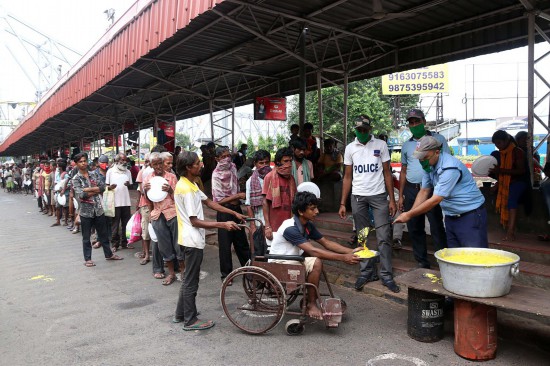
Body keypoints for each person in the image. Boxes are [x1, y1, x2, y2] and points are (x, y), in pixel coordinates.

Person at [173, 151, 245, 331]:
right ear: (188, 167)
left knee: (189, 278)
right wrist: (223, 224)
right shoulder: (187, 189)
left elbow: (210, 203)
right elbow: (195, 221)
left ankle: (180, 314)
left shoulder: (190, 184)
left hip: (190, 238)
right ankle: (189, 320)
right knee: (191, 281)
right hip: (191, 239)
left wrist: (233, 212)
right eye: (197, 163)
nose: (201, 165)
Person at [269, 191, 361, 319]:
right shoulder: (290, 228)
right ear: (301, 212)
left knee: (315, 262)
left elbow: (326, 243)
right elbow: (314, 251)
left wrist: (351, 251)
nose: (317, 211)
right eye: (312, 209)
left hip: (294, 259)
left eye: (316, 208)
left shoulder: (307, 225)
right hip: (280, 263)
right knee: (316, 261)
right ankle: (311, 304)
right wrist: (343, 258)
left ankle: (309, 301)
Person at [338, 115, 399, 293]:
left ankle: (386, 275)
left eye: (365, 130)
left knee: (384, 235)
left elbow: (387, 173)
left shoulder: (380, 145)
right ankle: (366, 272)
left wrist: (392, 199)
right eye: (359, 130)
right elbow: (347, 177)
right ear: (355, 130)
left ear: (370, 130)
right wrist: (343, 203)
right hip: (358, 198)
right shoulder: (350, 148)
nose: (362, 133)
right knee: (362, 236)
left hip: (379, 196)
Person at [394, 136, 488, 248]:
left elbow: (436, 199)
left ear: (437, 152)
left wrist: (409, 215)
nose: (422, 161)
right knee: (455, 257)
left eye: (425, 157)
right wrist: (410, 214)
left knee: (474, 257)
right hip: (451, 216)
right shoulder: (429, 166)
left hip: (470, 215)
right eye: (420, 158)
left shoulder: (449, 168)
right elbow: (424, 191)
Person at [398, 109, 448, 268]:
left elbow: (445, 162)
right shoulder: (406, 145)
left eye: (417, 121)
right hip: (412, 190)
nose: (414, 125)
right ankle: (421, 261)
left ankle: (443, 261)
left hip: (432, 189)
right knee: (414, 226)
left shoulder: (438, 139)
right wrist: (400, 195)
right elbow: (403, 170)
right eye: (411, 123)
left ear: (424, 121)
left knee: (436, 226)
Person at [71, 152, 123, 266]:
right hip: (86, 211)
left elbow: (103, 187)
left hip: (98, 209)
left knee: (103, 235)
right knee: (86, 237)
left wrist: (88, 189)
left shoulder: (93, 174)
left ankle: (108, 254)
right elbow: (81, 195)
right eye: (80, 161)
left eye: (84, 161)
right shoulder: (76, 178)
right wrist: (96, 190)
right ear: (76, 164)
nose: (83, 163)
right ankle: (87, 259)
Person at [211, 146, 250, 282]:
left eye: (228, 155)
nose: (226, 159)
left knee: (242, 243)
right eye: (223, 157)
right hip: (224, 212)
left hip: (236, 209)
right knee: (225, 245)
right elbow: (218, 201)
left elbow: (236, 184)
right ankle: (226, 275)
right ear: (217, 159)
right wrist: (237, 196)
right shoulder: (216, 175)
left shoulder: (233, 167)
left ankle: (249, 272)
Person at [144, 152, 182, 286]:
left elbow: (179, 197)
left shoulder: (171, 177)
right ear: (151, 165)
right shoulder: (149, 178)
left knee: (178, 244)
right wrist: (145, 191)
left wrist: (171, 190)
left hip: (172, 213)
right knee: (164, 245)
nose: (159, 166)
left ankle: (183, 272)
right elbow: (149, 199)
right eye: (155, 164)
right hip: (157, 214)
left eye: (160, 163)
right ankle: (171, 273)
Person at [489, 130, 527, 241]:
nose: (497, 146)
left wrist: (501, 171)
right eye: (496, 144)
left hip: (519, 182)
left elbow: (521, 171)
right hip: (506, 182)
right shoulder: (499, 154)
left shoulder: (517, 152)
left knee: (511, 201)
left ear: (506, 140)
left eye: (499, 143)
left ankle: (510, 232)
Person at [262, 147, 297, 240]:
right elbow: (265, 203)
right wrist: (267, 226)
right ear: (278, 162)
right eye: (285, 161)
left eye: (290, 161)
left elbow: (294, 201)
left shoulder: (291, 179)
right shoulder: (269, 177)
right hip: (274, 225)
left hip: (290, 223)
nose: (289, 164)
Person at [106, 153, 133, 251]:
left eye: (126, 160)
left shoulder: (128, 172)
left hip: (126, 202)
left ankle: (125, 242)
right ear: (117, 161)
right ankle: (114, 244)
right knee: (115, 224)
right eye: (123, 160)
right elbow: (106, 186)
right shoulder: (110, 172)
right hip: (115, 202)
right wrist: (110, 187)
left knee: (126, 223)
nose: (125, 162)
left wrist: (128, 185)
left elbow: (131, 185)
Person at [245, 149, 271, 234]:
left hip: (274, 219)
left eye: (266, 162)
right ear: (255, 164)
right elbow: (248, 205)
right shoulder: (250, 181)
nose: (264, 165)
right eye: (261, 163)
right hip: (259, 221)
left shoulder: (275, 177)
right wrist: (252, 225)